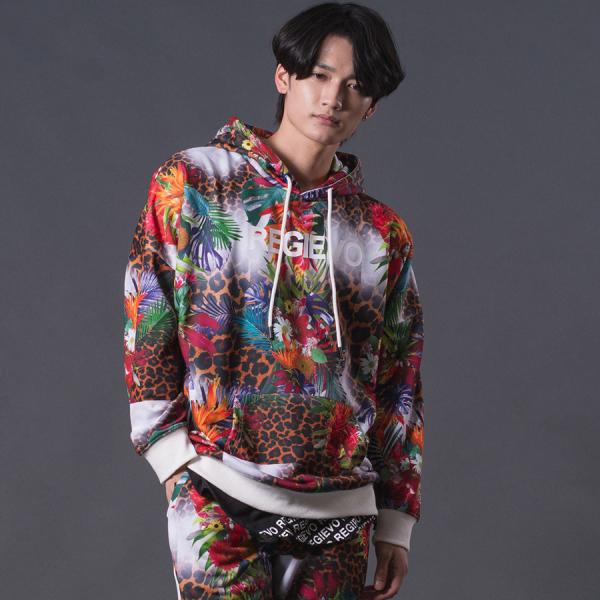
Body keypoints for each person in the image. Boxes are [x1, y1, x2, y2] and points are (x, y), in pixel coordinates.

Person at [123, 2, 425, 598]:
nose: (332, 97)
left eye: (355, 86)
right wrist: (169, 455)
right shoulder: (194, 184)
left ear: (371, 106)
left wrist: (397, 519)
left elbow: (400, 377)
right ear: (284, 75)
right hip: (218, 486)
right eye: (320, 74)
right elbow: (147, 312)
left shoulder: (380, 233)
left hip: (339, 510)